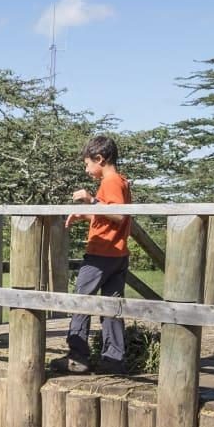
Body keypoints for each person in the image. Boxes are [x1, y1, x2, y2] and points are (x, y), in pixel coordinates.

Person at [49, 135, 132, 374]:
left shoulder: (111, 181)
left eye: (87, 164)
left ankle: (78, 356)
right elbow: (110, 218)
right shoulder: (121, 181)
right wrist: (86, 215)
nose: (87, 170)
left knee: (81, 301)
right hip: (117, 254)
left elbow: (118, 215)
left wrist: (90, 199)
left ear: (99, 159)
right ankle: (114, 359)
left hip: (101, 254)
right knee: (111, 307)